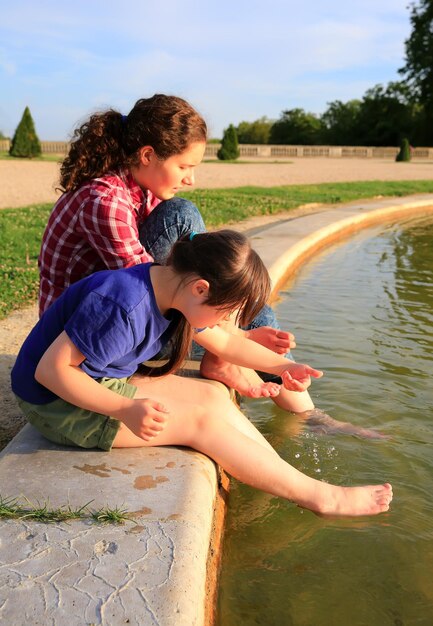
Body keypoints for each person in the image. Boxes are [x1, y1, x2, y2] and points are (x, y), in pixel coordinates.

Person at [12, 230, 393, 517]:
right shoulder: (123, 305)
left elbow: (228, 346)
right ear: (201, 288)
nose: (228, 323)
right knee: (200, 424)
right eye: (227, 313)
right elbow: (51, 371)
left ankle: (275, 474)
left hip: (97, 379)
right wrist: (123, 408)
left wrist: (283, 367)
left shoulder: (174, 290)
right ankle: (321, 497)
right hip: (55, 403)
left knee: (212, 397)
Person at [37, 93, 315, 413]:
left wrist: (236, 326)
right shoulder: (105, 202)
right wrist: (237, 335)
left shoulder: (142, 189)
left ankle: (306, 414)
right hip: (90, 331)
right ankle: (293, 408)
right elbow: (147, 288)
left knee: (251, 306)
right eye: (184, 166)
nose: (191, 179)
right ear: (147, 155)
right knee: (183, 214)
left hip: (123, 314)